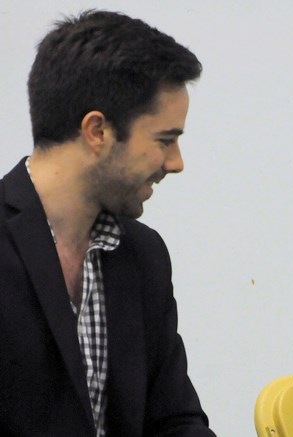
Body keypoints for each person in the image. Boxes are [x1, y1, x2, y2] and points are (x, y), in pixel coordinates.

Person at [0, 10, 216, 436]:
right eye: (164, 140)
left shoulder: (143, 255)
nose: (175, 163)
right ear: (97, 130)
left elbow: (174, 420)